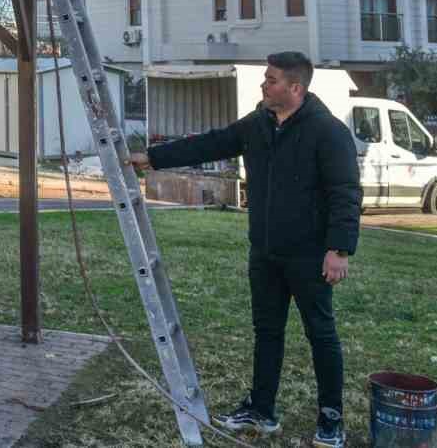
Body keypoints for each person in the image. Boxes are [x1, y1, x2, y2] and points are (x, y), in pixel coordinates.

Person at [127, 52, 359, 448]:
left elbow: (345, 192)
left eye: (271, 80)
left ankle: (331, 419)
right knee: (266, 332)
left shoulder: (328, 132)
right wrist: (152, 159)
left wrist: (339, 249)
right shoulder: (258, 125)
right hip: (265, 252)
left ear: (295, 88)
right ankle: (262, 409)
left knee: (321, 334)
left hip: (309, 255)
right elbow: (212, 143)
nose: (263, 85)